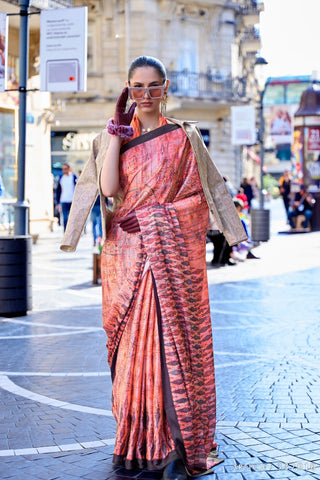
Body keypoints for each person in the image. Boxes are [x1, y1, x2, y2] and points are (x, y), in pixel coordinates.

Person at [60, 56, 247, 480]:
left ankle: (173, 442)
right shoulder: (114, 139)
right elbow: (108, 191)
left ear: (166, 89)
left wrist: (150, 219)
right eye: (137, 88)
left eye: (153, 87)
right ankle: (137, 440)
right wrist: (114, 135)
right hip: (125, 258)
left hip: (168, 260)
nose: (145, 96)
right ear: (127, 90)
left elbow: (198, 201)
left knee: (169, 351)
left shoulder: (184, 137)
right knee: (130, 352)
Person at [56, 163, 77, 231]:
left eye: (65, 169)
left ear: (69, 169)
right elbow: (58, 191)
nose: (64, 170)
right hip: (63, 200)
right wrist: (58, 203)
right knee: (65, 218)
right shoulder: (61, 178)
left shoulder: (74, 177)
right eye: (63, 169)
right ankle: (66, 233)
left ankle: (72, 232)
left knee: (73, 218)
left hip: (72, 201)